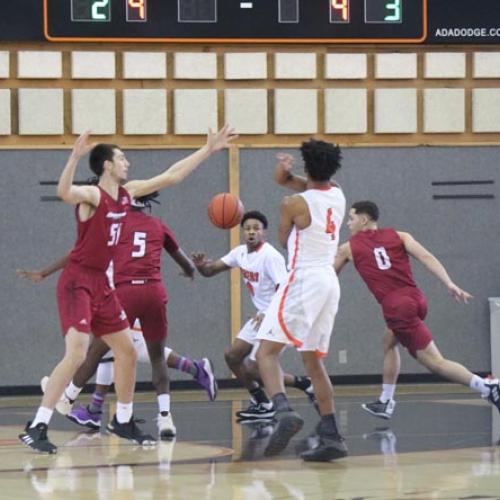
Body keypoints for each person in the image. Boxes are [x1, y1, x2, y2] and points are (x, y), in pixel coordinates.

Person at [18, 126, 236, 454]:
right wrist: (74, 157)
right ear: (107, 165)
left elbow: (171, 176)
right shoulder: (93, 197)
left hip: (103, 285)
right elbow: (65, 192)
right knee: (77, 353)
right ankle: (38, 426)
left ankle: (122, 419)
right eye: (121, 158)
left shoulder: (128, 193)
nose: (127, 163)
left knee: (127, 352)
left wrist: (206, 151)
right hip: (78, 282)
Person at [19, 192, 218, 437]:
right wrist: (190, 270)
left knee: (102, 350)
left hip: (122, 295)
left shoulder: (114, 225)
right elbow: (185, 263)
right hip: (153, 291)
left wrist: (45, 272)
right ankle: (162, 416)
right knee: (132, 353)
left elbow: (76, 255)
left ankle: (72, 399)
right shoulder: (157, 225)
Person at [334, 200, 500, 419]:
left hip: (397, 308)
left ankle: (488, 387)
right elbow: (426, 257)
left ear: (364, 220)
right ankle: (385, 401)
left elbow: (327, 276)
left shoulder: (348, 248)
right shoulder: (401, 236)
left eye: (351, 218)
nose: (348, 223)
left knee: (436, 363)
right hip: (416, 299)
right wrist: (449, 283)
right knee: (389, 342)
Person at [255, 140, 348, 462]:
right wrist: (285, 173)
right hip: (328, 281)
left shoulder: (292, 203)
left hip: (304, 277)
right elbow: (302, 186)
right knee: (312, 360)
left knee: (265, 352)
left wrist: (285, 174)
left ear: (306, 166)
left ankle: (283, 411)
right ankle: (332, 435)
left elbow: (282, 239)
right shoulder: (337, 192)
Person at [191, 211, 317, 421]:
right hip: (261, 316)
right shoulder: (240, 253)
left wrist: (267, 313)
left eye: (256, 228)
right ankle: (261, 401)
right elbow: (211, 270)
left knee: (253, 368)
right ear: (243, 232)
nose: (251, 232)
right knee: (232, 356)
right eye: (247, 228)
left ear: (263, 232)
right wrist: (201, 266)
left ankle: (302, 383)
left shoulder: (270, 256)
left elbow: (285, 290)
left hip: (279, 315)